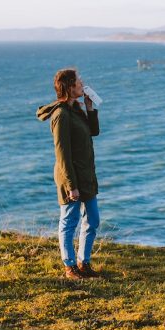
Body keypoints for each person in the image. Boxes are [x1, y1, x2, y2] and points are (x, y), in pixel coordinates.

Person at [36, 68, 102, 279]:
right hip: (70, 177)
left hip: (86, 174)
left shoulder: (76, 109)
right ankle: (69, 266)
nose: (82, 83)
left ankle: (84, 263)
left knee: (93, 220)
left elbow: (94, 132)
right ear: (69, 87)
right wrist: (71, 185)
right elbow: (62, 153)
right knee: (69, 221)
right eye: (78, 81)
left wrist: (90, 108)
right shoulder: (61, 115)